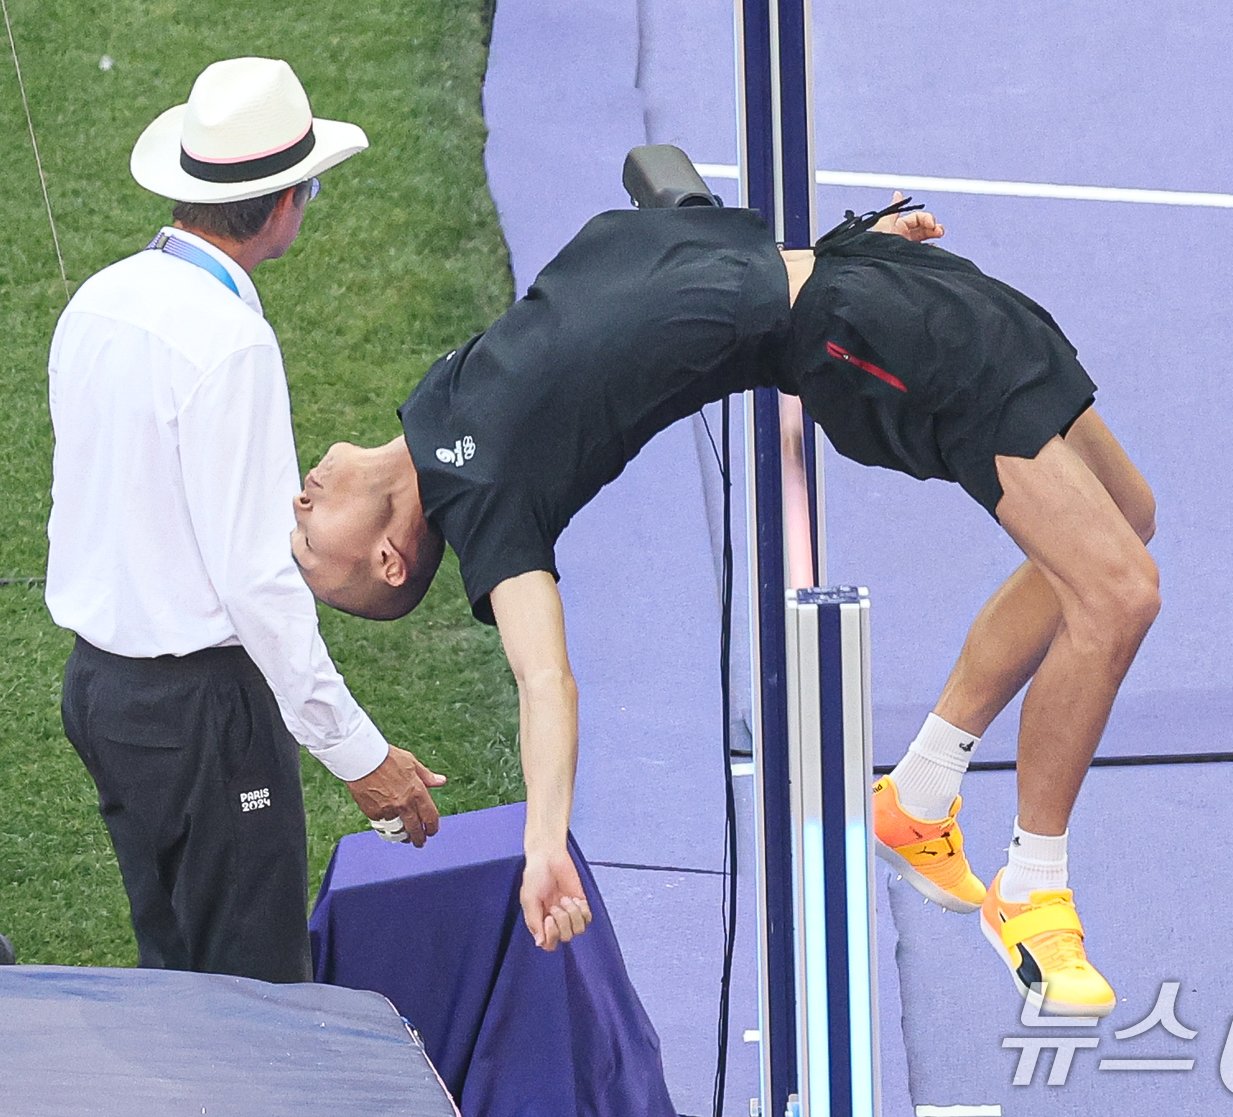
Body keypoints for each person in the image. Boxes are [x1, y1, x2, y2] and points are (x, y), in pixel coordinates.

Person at [290, 190, 1157, 1015]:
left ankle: (920, 794)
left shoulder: (444, 393)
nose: (297, 503)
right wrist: (545, 841)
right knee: (1116, 594)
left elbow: (656, 274)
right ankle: (1033, 886)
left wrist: (825, 250)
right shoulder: (485, 500)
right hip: (867, 334)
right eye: (309, 540)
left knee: (1127, 518)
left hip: (877, 279)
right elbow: (545, 677)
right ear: (390, 558)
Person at [46, 57, 446, 984]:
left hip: (101, 694)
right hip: (203, 717)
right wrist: (361, 753)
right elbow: (258, 581)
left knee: (176, 975)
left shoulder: (96, 300)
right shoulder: (230, 344)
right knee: (253, 1000)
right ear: (284, 203)